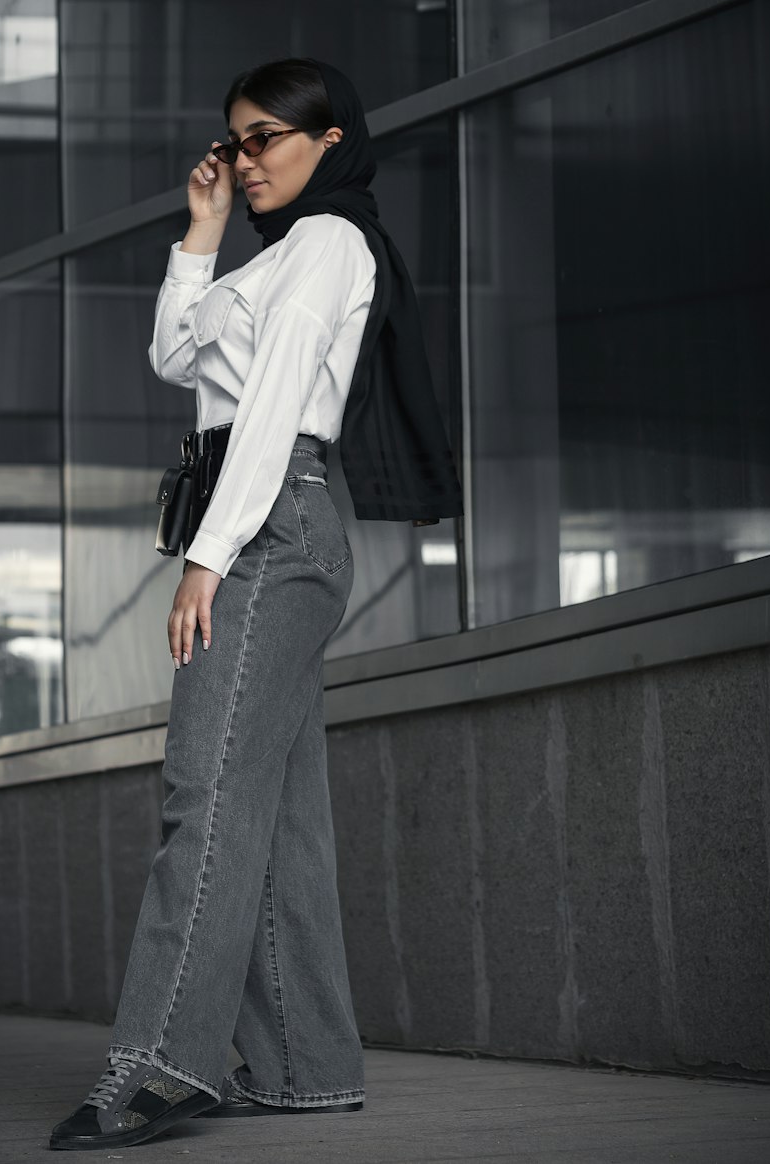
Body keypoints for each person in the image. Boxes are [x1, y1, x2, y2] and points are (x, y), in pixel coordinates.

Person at [49, 57, 463, 1151]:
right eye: (235, 140)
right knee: (269, 807)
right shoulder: (268, 258)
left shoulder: (329, 243)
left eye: (270, 137)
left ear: (332, 141)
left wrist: (208, 558)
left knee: (207, 792)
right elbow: (171, 352)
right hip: (264, 514)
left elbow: (275, 403)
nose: (247, 159)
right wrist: (200, 231)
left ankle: (162, 1067)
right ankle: (301, 1067)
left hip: (272, 517)